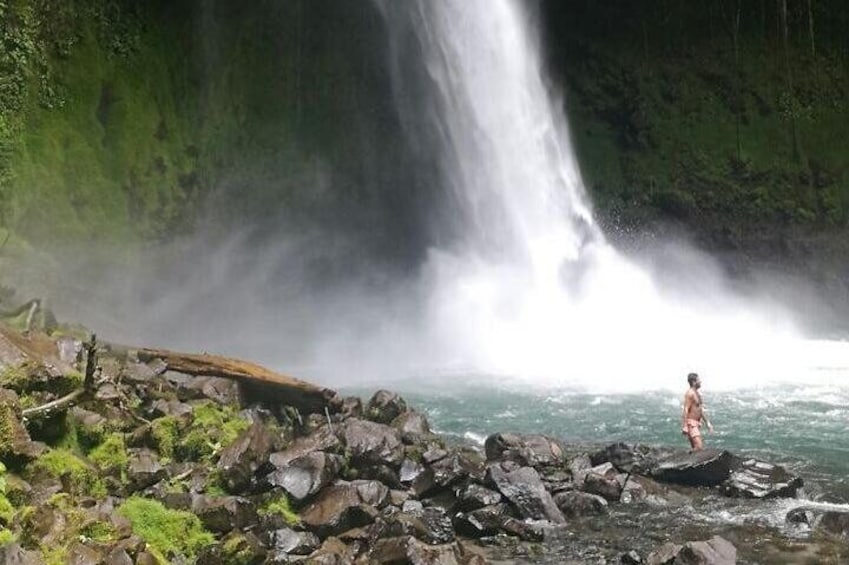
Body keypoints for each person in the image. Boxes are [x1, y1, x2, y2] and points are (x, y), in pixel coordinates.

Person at [681, 372, 713, 451]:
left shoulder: (697, 393)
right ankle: (685, 456)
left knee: (695, 447)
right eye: (699, 380)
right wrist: (685, 426)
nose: (700, 382)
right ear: (694, 382)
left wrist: (707, 422)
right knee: (699, 447)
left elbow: (700, 410)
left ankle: (689, 457)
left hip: (697, 423)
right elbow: (686, 409)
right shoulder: (690, 393)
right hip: (691, 424)